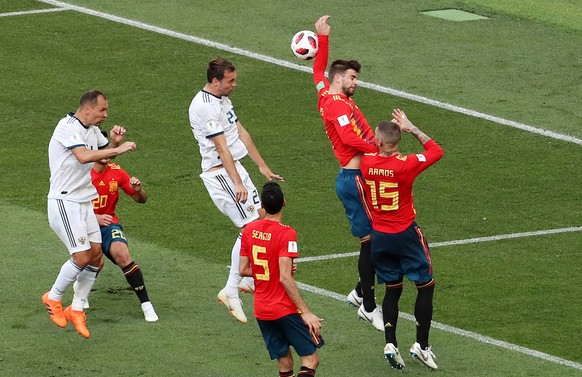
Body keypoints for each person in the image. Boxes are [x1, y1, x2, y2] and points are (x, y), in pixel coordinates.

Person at [188, 57, 284, 323]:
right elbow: (221, 147)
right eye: (230, 81)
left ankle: (241, 282)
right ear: (215, 81)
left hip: (234, 168)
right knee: (252, 228)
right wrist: (238, 183)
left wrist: (262, 166)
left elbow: (240, 132)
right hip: (221, 174)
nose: (234, 84)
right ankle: (231, 289)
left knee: (261, 220)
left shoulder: (222, 100)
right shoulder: (205, 107)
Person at [43, 90, 137, 338]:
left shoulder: (93, 131)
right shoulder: (67, 126)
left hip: (84, 201)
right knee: (82, 256)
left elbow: (101, 162)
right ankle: (53, 298)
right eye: (102, 110)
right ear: (87, 109)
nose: (105, 115)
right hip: (65, 201)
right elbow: (84, 156)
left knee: (97, 257)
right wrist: (119, 150)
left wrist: (114, 144)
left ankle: (76, 309)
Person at [312, 15, 383, 331]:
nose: (356, 82)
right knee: (373, 242)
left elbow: (317, 70)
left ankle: (359, 292)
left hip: (358, 178)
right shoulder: (337, 106)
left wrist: (323, 38)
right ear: (339, 78)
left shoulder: (327, 93)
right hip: (353, 181)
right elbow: (348, 139)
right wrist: (378, 150)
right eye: (352, 77)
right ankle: (368, 306)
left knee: (378, 240)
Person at [359, 108, 444, 370]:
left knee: (392, 290)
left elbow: (368, 148)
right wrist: (412, 128)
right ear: (397, 142)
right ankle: (422, 345)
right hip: (405, 234)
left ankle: (390, 342)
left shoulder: (367, 163)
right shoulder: (405, 165)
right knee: (425, 286)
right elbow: (436, 151)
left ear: (380, 142)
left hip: (380, 237)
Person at [240, 182, 324, 377]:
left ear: (262, 205)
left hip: (262, 309)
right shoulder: (287, 233)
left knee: (284, 362)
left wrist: (270, 270)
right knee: (311, 360)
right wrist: (306, 312)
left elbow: (243, 269)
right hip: (283, 308)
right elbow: (285, 278)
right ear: (284, 203)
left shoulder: (249, 230)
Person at [74, 145, 158, 322]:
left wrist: (138, 191)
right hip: (83, 224)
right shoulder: (81, 173)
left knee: (123, 255)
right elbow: (69, 203)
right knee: (95, 262)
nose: (105, 152)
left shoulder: (117, 172)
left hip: (109, 224)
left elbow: (141, 200)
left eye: (107, 148)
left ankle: (146, 305)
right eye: (100, 148)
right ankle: (81, 289)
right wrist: (94, 217)